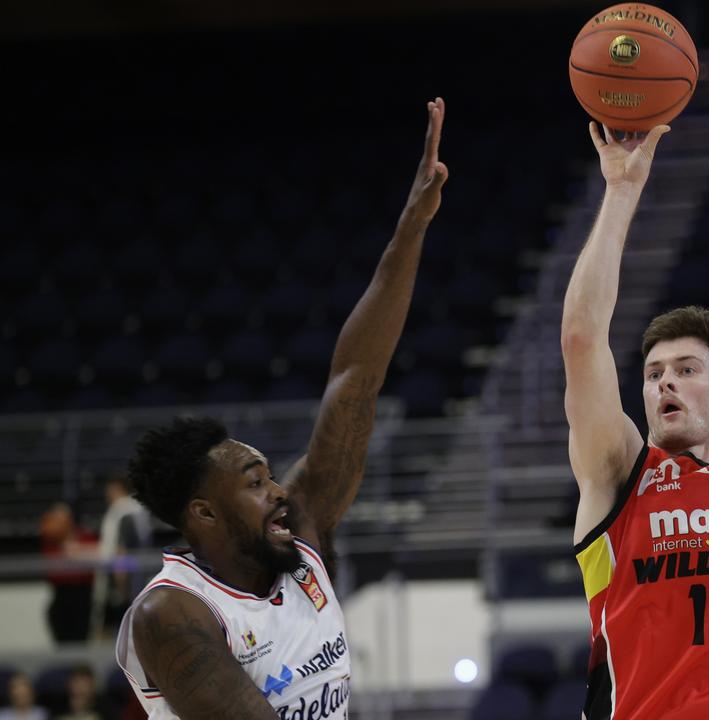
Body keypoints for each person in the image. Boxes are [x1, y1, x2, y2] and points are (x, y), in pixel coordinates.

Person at [114, 97, 449, 720]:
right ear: (204, 512)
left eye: (269, 476)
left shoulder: (299, 536)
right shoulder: (173, 614)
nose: (276, 491)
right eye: (255, 483)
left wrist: (411, 228)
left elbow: (355, 379)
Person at [562, 122, 709, 719]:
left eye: (686, 369)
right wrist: (620, 191)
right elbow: (580, 338)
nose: (664, 380)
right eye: (653, 373)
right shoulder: (619, 472)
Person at [92, 474, 153, 638]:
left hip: (122, 585)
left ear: (116, 489)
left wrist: (121, 583)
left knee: (114, 635)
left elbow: (122, 549)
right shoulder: (138, 510)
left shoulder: (122, 510)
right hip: (136, 581)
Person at [40, 502, 98, 644]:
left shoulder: (85, 535)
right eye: (56, 517)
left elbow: (101, 552)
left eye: (63, 517)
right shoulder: (51, 540)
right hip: (62, 596)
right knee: (63, 642)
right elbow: (54, 564)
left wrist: (78, 552)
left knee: (80, 640)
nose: (60, 521)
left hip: (83, 596)